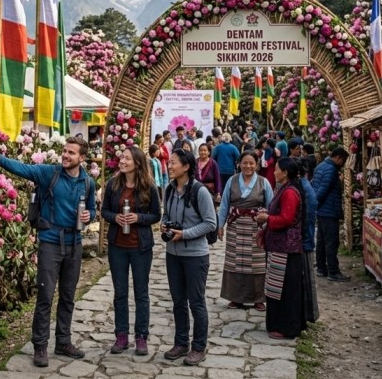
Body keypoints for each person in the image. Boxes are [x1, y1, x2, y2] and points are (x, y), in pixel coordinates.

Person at [0, 137, 97, 367]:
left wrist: (89, 216)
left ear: (82, 158)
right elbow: (24, 169)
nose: (65, 155)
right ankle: (40, 346)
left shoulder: (88, 182)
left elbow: (93, 209)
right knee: (45, 296)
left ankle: (63, 341)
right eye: (64, 151)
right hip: (50, 243)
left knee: (68, 296)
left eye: (71, 153)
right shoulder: (49, 174)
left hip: (74, 243)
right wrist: (0, 159)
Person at [101, 147, 161, 356]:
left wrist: (139, 218)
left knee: (141, 292)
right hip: (118, 246)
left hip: (140, 247)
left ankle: (141, 336)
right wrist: (114, 217)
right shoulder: (113, 184)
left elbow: (156, 215)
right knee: (120, 292)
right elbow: (104, 211)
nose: (122, 160)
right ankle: (121, 335)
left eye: (127, 158)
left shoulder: (148, 187)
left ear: (137, 162)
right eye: (122, 157)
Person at [161, 148, 217, 366]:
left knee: (196, 302)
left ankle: (199, 347)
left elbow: (210, 223)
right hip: (172, 254)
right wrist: (165, 225)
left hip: (195, 255)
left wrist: (184, 234)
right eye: (170, 162)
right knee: (177, 301)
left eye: (173, 162)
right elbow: (166, 213)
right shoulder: (169, 189)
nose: (170, 165)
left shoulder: (199, 192)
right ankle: (181, 342)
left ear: (186, 166)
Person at [254, 157, 312, 340]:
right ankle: (278, 323)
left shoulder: (289, 193)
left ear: (285, 172)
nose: (274, 172)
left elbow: (287, 219)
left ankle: (287, 326)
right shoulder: (284, 189)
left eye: (277, 169)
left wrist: (267, 219)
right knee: (276, 287)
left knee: (286, 290)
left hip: (287, 249)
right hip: (279, 247)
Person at [217, 151, 273, 310]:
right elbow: (225, 205)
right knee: (235, 262)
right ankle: (236, 298)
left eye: (251, 163)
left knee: (257, 263)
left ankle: (258, 298)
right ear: (239, 164)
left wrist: (269, 224)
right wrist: (220, 225)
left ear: (256, 165)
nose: (248, 166)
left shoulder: (264, 183)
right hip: (235, 227)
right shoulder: (232, 181)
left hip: (256, 228)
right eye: (245, 163)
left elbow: (271, 206)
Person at [312, 146, 351, 282]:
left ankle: (322, 268)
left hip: (322, 211)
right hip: (329, 211)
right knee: (331, 242)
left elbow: (315, 187)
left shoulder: (320, 166)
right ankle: (333, 271)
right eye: (344, 160)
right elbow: (322, 190)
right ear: (339, 158)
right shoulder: (332, 170)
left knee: (322, 241)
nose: (344, 164)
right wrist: (316, 204)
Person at [297, 159, 319, 322]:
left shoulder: (304, 190)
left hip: (304, 241)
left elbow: (306, 218)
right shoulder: (303, 187)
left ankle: (307, 316)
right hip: (304, 240)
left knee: (305, 280)